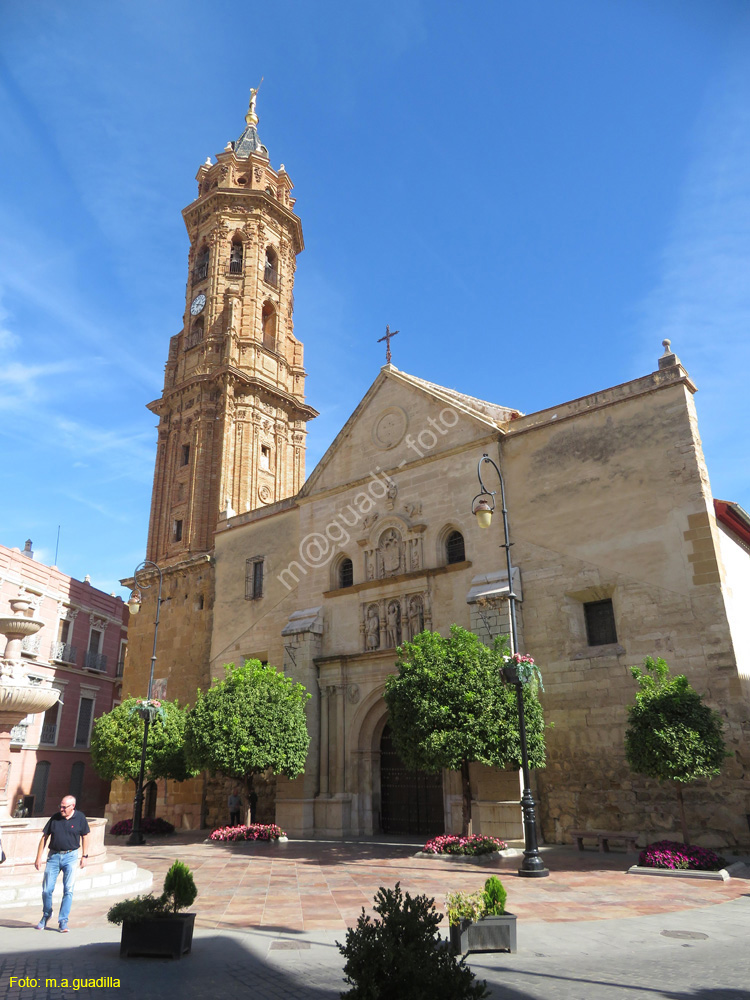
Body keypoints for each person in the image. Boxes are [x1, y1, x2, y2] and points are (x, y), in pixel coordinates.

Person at [34, 795, 90, 932]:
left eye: (65, 807)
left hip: (71, 856)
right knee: (47, 889)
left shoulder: (80, 818)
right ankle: (46, 914)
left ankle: (63, 920)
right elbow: (44, 837)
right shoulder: (55, 818)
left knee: (68, 889)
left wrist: (85, 856)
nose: (62, 809)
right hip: (54, 856)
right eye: (61, 806)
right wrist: (38, 857)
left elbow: (85, 836)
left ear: (73, 807)